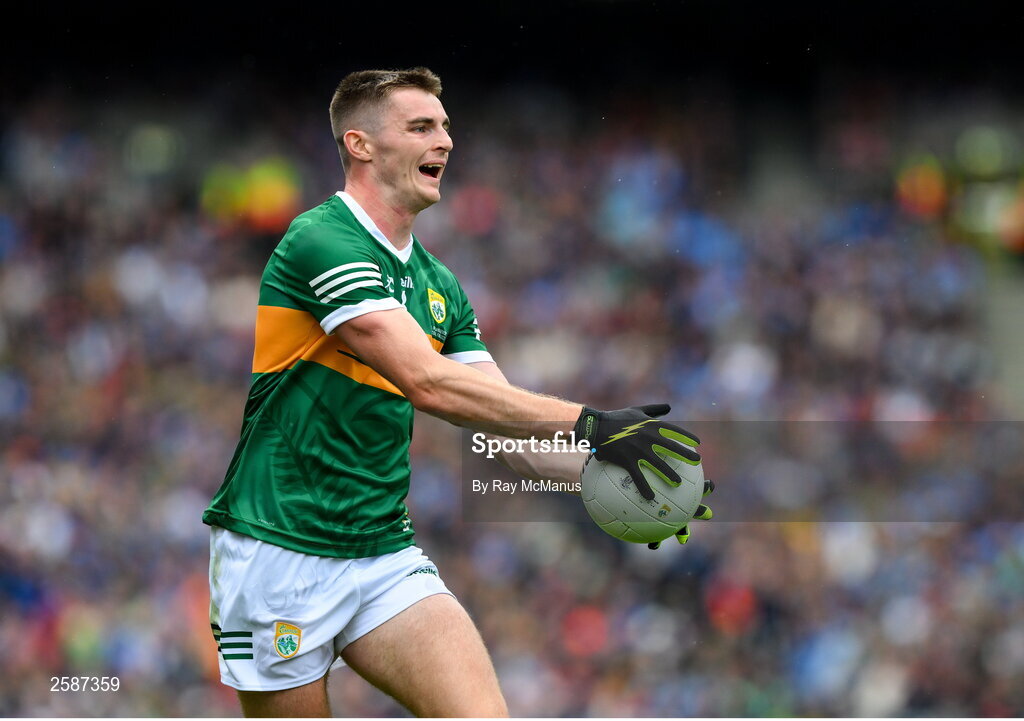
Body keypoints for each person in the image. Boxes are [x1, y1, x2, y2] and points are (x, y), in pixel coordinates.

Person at [202, 67, 709, 717]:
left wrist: (625, 478)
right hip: (274, 552)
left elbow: (512, 440)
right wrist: (597, 424)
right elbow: (427, 381)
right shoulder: (322, 241)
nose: (444, 139)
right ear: (360, 144)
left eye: (445, 126)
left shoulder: (439, 284)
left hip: (381, 554)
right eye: (421, 126)